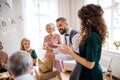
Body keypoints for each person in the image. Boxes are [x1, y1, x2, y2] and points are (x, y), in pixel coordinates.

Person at [59, 4, 108, 80]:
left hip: (91, 75)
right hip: (86, 72)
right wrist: (71, 51)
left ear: (89, 19)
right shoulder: (91, 34)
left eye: (82, 19)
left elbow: (90, 64)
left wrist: (71, 53)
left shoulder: (92, 37)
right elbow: (85, 56)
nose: (81, 21)